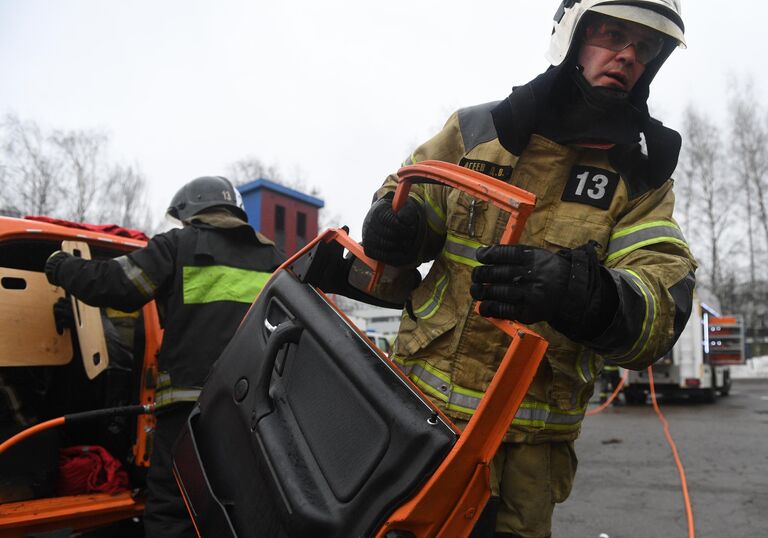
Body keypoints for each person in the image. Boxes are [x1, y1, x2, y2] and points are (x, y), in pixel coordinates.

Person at [361, 1, 696, 536]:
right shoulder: (475, 130)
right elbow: (411, 195)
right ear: (573, 34)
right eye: (612, 34)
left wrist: (588, 296)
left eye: (645, 46)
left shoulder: (642, 177)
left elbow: (660, 294)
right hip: (419, 418)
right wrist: (394, 225)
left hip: (526, 459)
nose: (628, 56)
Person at [45, 176, 285, 538]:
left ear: (191, 212)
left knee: (175, 509)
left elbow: (115, 285)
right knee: (239, 507)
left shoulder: (179, 245)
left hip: (191, 413)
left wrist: (61, 266)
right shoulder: (275, 259)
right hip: (254, 414)